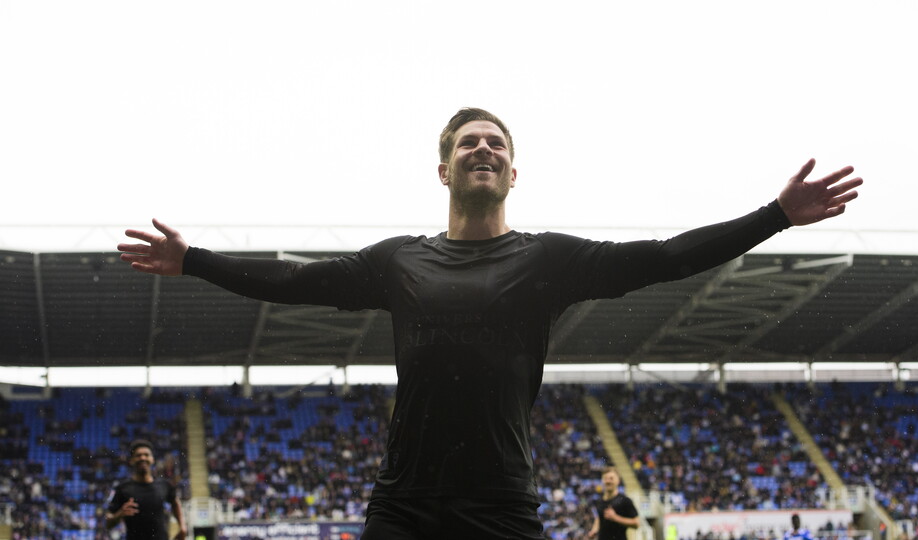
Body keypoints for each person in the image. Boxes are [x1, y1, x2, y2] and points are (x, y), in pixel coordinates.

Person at [118, 108, 862, 539]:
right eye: (468, 142)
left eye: (496, 144)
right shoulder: (398, 262)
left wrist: (775, 216)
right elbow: (296, 281)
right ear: (444, 170)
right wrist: (198, 260)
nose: (483, 148)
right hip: (402, 504)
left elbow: (665, 257)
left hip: (502, 505)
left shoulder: (549, 260)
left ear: (513, 173)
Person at [105, 439, 187, 540]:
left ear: (152, 459)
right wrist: (120, 514)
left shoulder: (164, 485)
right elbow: (108, 523)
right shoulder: (122, 489)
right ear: (131, 460)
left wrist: (183, 527)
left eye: (146, 455)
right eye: (138, 455)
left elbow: (175, 502)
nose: (143, 458)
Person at [588, 467, 640, 540]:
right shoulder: (599, 501)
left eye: (611, 478)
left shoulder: (625, 501)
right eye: (605, 478)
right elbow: (599, 518)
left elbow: (636, 523)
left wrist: (615, 518)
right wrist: (594, 530)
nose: (608, 481)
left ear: (618, 480)